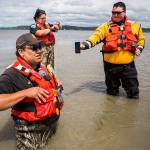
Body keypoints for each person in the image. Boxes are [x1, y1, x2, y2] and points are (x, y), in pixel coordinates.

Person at [0, 33, 64, 150]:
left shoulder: (41, 67)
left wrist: (56, 82)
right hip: (30, 131)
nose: (39, 51)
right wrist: (25, 93)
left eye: (40, 46)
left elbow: (51, 81)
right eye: (33, 48)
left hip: (50, 122)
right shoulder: (11, 74)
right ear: (21, 51)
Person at [79, 2, 145, 99]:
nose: (115, 15)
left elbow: (141, 40)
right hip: (110, 66)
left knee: (133, 92)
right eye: (113, 12)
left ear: (124, 12)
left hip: (128, 66)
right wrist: (84, 45)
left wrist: (139, 48)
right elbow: (95, 37)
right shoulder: (105, 27)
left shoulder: (134, 26)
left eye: (118, 13)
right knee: (111, 94)